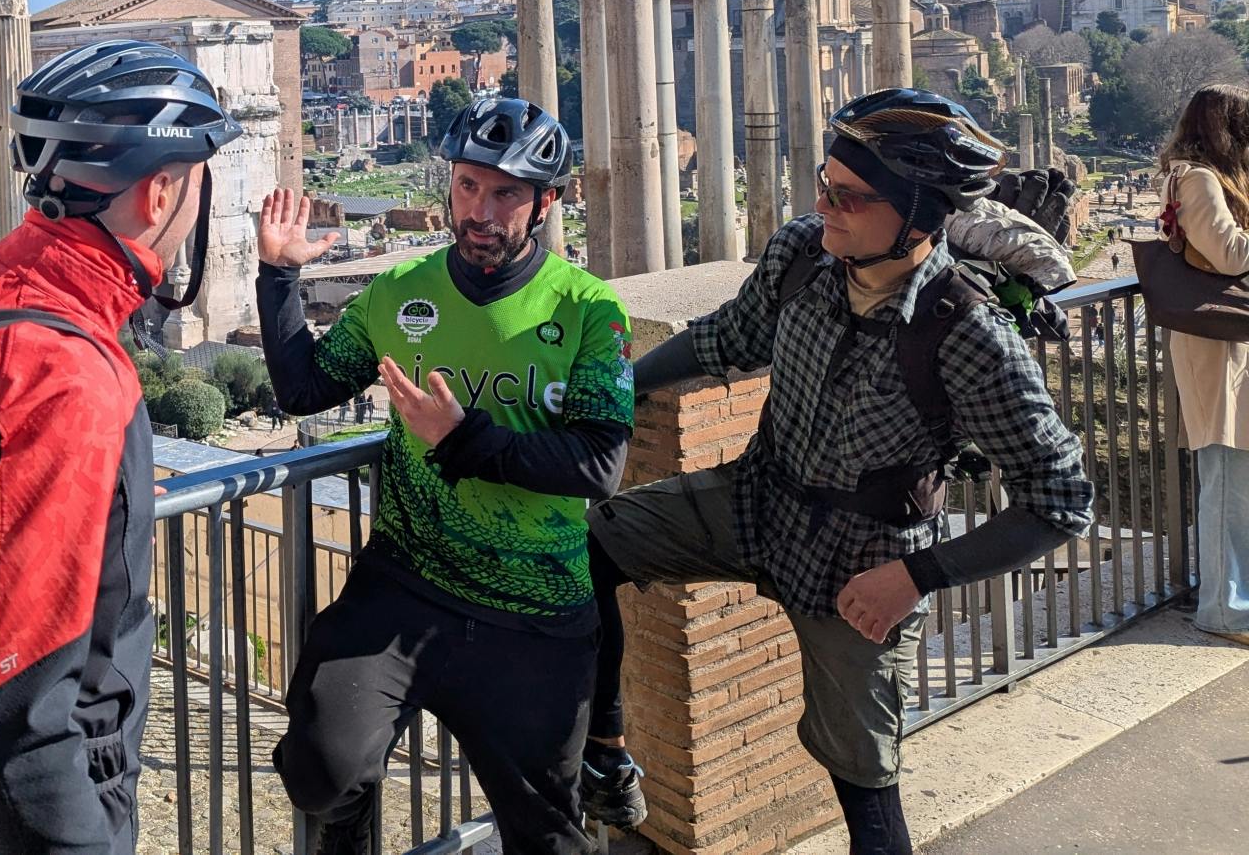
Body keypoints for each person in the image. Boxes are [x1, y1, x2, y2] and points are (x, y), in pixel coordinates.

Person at [582, 88, 1094, 855]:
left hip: (867, 558)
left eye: (848, 197)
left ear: (919, 216)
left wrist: (915, 577)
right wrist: (624, 390)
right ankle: (605, 751)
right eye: (823, 186)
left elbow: (1060, 500)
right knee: (584, 547)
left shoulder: (967, 335)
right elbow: (729, 337)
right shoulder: (801, 257)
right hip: (756, 499)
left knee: (865, 784)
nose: (826, 207)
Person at [258, 97, 634, 855]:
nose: (480, 211)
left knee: (548, 837)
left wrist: (465, 440)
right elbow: (306, 389)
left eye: (505, 194)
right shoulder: (400, 293)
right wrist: (277, 277)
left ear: (546, 203)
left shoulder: (591, 309)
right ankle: (350, 828)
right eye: (467, 186)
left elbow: (599, 466)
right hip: (406, 581)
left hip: (535, 612)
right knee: (319, 771)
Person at [0, 39, 241, 855]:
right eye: (196, 184)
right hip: (30, 815)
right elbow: (21, 723)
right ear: (160, 192)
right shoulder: (64, 378)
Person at [1156, 82, 1249, 642]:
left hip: (1230, 339)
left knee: (1239, 473)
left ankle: (1235, 596)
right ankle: (1222, 608)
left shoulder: (1206, 177)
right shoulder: (1195, 178)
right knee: (1226, 473)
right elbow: (1229, 252)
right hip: (1215, 343)